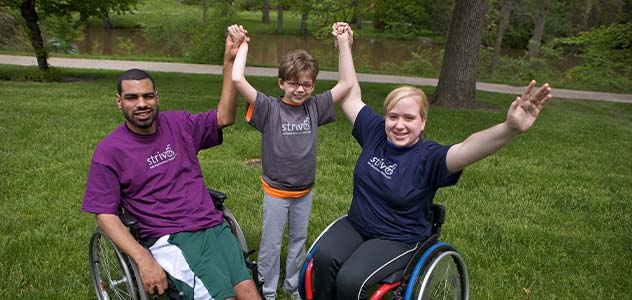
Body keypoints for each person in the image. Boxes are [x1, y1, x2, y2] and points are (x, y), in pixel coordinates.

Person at [311, 24, 554, 300]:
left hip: (398, 237)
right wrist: (344, 45)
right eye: (393, 116)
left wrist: (509, 129)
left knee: (351, 280)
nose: (399, 125)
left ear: (423, 120)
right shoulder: (376, 131)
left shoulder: (430, 158)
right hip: (357, 224)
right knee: (323, 258)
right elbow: (350, 96)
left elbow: (470, 147)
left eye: (409, 118)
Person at [81, 27, 261, 300]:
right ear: (119, 102)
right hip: (171, 237)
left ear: (157, 97)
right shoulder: (109, 151)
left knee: (248, 292)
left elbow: (224, 117)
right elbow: (105, 214)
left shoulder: (179, 124)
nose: (141, 103)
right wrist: (143, 258)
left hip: (211, 225)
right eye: (132, 97)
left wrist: (229, 62)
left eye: (147, 96)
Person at [229, 22, 355, 300]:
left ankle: (294, 286)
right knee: (271, 245)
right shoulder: (269, 108)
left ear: (313, 85)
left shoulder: (315, 106)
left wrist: (343, 44)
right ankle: (267, 290)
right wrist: (244, 45)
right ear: (282, 83)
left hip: (304, 191)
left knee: (298, 243)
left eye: (307, 84)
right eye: (294, 83)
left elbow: (346, 84)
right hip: (276, 192)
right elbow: (238, 80)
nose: (300, 89)